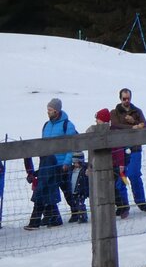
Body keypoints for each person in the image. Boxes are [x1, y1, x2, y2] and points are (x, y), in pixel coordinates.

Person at [25, 98, 76, 230]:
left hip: (61, 164)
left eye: (50, 110)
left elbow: (72, 145)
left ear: (57, 111)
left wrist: (66, 162)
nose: (48, 112)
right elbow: (43, 145)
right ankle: (52, 217)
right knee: (47, 189)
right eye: (48, 109)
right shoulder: (46, 125)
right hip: (48, 164)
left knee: (67, 190)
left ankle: (77, 212)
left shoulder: (67, 125)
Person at [111, 87, 146, 211]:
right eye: (124, 98)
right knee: (120, 178)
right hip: (120, 149)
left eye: (128, 98)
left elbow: (144, 126)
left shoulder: (137, 111)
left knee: (134, 175)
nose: (126, 101)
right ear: (120, 98)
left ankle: (141, 202)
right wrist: (133, 126)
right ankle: (123, 205)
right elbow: (116, 125)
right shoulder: (115, 112)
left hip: (135, 148)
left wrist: (134, 121)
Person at [88, 108, 130, 219]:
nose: (96, 121)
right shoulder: (97, 132)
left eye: (98, 119)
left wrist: (121, 164)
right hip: (104, 164)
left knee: (111, 187)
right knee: (107, 186)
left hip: (114, 165)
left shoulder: (112, 133)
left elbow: (119, 150)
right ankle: (119, 206)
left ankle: (122, 206)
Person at [66, 152, 89, 223]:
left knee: (80, 204)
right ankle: (77, 216)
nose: (75, 164)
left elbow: (89, 167)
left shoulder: (84, 170)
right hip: (73, 190)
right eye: (74, 162)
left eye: (77, 162)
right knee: (75, 204)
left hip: (81, 190)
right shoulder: (71, 170)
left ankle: (83, 217)